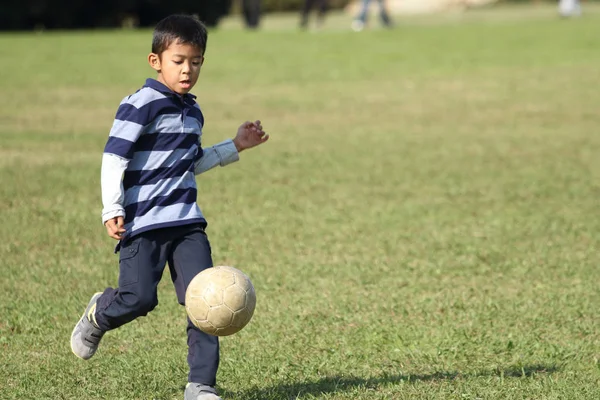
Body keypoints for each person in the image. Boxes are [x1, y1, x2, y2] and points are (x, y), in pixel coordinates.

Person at [69, 14, 269, 400]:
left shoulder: (193, 112)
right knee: (138, 298)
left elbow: (190, 163)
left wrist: (236, 145)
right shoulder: (139, 105)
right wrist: (111, 207)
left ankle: (201, 386)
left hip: (187, 224)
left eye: (195, 61)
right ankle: (99, 314)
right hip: (142, 224)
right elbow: (114, 158)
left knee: (208, 300)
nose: (187, 70)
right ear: (155, 61)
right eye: (178, 61)